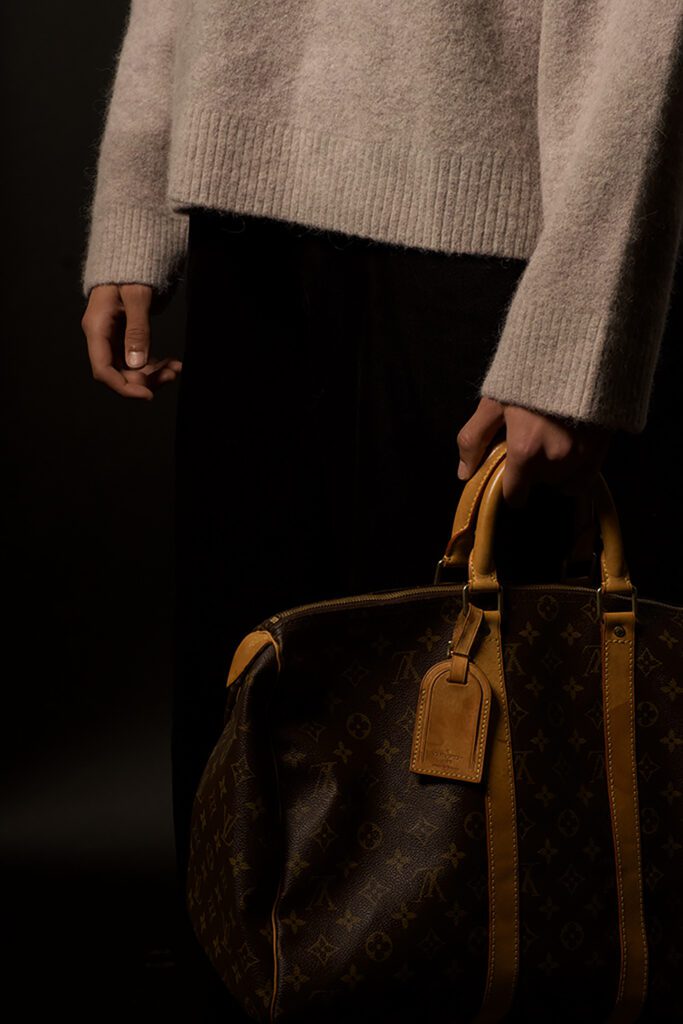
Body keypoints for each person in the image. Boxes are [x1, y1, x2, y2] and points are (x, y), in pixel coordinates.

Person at [79, 2, 683, 1018]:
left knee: (480, 775)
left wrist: (574, 334)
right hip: (246, 230)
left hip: (482, 225)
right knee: (247, 724)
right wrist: (138, 195)